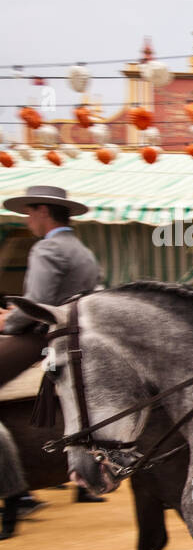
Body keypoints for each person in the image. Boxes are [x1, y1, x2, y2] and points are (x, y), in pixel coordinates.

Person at [0, 185, 103, 505]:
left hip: (40, 336)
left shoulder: (46, 249)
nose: (28, 219)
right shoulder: (83, 251)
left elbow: (38, 304)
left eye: (30, 211)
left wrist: (7, 322)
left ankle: (13, 489)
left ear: (43, 211)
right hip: (77, 333)